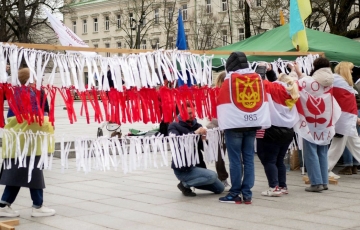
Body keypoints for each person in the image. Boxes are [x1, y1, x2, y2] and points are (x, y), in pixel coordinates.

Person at [0, 68, 56, 217]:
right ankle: (37, 207)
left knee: (18, 173)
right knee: (32, 171)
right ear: (30, 80)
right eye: (38, 78)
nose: (40, 81)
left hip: (19, 140)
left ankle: (4, 204)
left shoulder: (17, 92)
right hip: (27, 141)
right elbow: (35, 118)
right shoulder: (27, 93)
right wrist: (49, 122)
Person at [217, 52, 271, 204]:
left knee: (235, 160)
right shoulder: (256, 79)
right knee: (249, 160)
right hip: (252, 124)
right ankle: (247, 194)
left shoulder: (229, 80)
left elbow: (221, 100)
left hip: (234, 126)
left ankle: (235, 193)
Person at [291, 57, 339, 192]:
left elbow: (295, 84)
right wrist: (301, 73)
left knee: (310, 152)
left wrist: (294, 72)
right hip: (325, 123)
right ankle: (324, 181)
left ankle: (316, 183)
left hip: (310, 123)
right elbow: (312, 82)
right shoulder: (330, 82)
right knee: (323, 152)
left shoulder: (307, 81)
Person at [256, 73, 300, 197]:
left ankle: (273, 186)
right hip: (288, 130)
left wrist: (263, 70)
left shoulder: (272, 88)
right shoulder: (292, 92)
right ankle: (282, 185)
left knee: (268, 160)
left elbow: (261, 81)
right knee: (279, 160)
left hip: (271, 129)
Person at [169, 102, 225, 197]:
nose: (193, 116)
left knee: (220, 188)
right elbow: (177, 142)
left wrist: (205, 140)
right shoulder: (173, 126)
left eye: (194, 113)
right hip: (184, 168)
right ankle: (184, 184)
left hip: (198, 166)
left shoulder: (197, 124)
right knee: (212, 176)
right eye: (190, 113)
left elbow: (203, 148)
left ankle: (194, 182)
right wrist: (195, 133)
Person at [327, 62, 360, 175]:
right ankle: (324, 169)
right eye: (350, 69)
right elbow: (345, 104)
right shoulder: (339, 82)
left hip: (346, 120)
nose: (352, 72)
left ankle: (324, 169)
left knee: (356, 145)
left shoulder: (338, 82)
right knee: (337, 147)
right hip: (344, 120)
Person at [206, 72, 229, 187]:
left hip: (221, 126)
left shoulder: (216, 92)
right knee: (220, 155)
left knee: (220, 155)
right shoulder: (216, 92)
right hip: (219, 127)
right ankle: (223, 177)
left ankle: (223, 177)